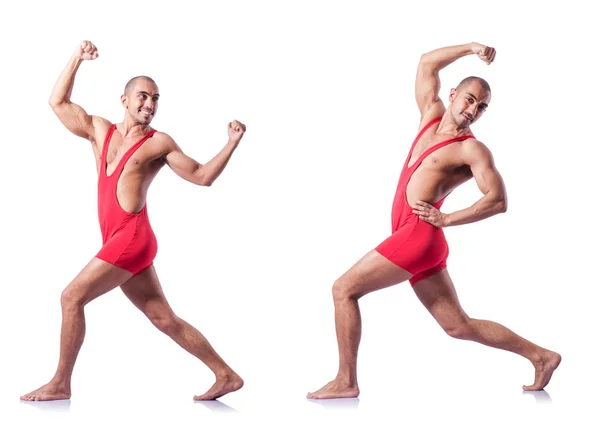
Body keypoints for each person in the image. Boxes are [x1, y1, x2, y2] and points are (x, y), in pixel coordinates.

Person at [307, 42, 561, 399]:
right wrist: (472, 47)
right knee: (458, 326)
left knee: (343, 289)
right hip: (415, 238)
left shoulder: (471, 149)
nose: (474, 110)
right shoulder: (430, 115)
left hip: (419, 236)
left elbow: (498, 200)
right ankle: (541, 356)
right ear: (454, 94)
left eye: (482, 107)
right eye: (470, 99)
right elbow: (427, 63)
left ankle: (346, 381)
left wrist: (447, 218)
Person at [21, 41, 245, 402]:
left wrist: (231, 142)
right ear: (124, 100)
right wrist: (77, 58)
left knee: (71, 297)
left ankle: (60, 383)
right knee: (164, 319)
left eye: (156, 99)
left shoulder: (159, 143)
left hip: (131, 238)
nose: (150, 105)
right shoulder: (99, 130)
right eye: (143, 97)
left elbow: (202, 176)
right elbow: (57, 103)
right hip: (117, 239)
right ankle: (226, 374)